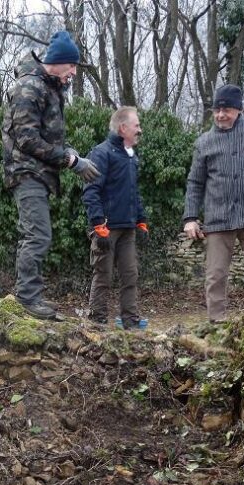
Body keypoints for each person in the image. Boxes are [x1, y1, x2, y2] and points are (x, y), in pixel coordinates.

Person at [2, 29, 101, 320]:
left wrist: (70, 153)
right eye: (71, 65)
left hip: (38, 173)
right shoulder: (29, 87)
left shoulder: (48, 88)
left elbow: (48, 137)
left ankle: (29, 295)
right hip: (26, 172)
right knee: (37, 235)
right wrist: (70, 161)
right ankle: (27, 298)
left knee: (36, 234)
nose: (74, 72)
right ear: (56, 61)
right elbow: (27, 139)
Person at [183, 84, 244, 322]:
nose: (220, 115)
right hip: (218, 218)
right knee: (215, 276)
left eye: (226, 110)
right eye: (217, 110)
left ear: (239, 110)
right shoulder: (204, 142)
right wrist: (190, 218)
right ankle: (216, 324)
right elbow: (195, 182)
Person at [82, 106, 148, 330]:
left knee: (130, 275)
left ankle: (130, 321)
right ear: (122, 128)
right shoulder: (101, 153)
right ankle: (97, 322)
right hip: (107, 228)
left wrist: (141, 220)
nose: (139, 130)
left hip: (128, 228)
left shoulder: (130, 156)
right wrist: (98, 225)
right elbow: (91, 191)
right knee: (103, 275)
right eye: (136, 125)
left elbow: (133, 192)